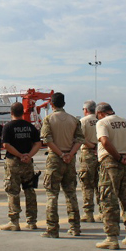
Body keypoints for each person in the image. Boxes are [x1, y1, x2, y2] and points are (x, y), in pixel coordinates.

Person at [95, 102, 126, 249]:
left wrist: (117, 157)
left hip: (111, 161)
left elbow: (104, 141)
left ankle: (112, 237)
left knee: (109, 199)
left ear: (100, 113)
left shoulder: (103, 123)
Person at [40, 93, 83, 238]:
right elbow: (79, 140)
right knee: (71, 194)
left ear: (51, 104)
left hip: (54, 158)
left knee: (52, 194)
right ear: (64, 103)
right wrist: (69, 154)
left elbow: (47, 140)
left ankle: (52, 228)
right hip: (70, 159)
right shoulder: (74, 120)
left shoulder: (48, 119)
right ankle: (75, 226)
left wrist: (60, 154)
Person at [0, 102, 42, 231]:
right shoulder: (30, 127)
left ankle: (14, 221)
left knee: (13, 191)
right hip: (27, 163)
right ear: (23, 112)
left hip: (13, 162)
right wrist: (28, 155)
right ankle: (32, 221)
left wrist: (19, 155)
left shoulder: (8, 127)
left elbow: (6, 145)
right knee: (29, 190)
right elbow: (38, 143)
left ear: (11, 112)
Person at [79, 100, 100, 223]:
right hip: (101, 153)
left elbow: (80, 137)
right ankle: (103, 211)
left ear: (86, 110)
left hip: (88, 153)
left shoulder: (83, 121)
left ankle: (88, 213)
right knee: (101, 184)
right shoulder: (101, 120)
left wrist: (91, 146)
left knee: (87, 184)